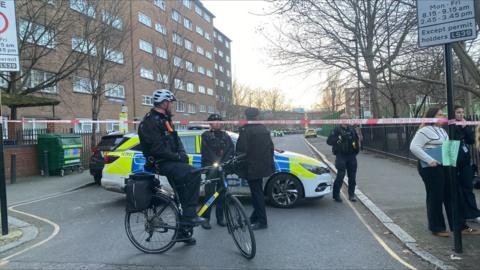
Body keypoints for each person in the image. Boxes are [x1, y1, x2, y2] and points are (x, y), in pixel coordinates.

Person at [138, 89, 205, 245]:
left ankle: (183, 232)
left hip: (172, 161)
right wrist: (177, 157)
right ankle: (190, 215)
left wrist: (183, 156)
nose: (172, 106)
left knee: (183, 193)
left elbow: (176, 140)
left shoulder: (164, 119)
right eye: (171, 103)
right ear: (164, 103)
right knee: (194, 173)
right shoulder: (150, 122)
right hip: (160, 162)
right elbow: (157, 149)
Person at [410, 107, 479, 237]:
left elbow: (448, 148)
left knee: (452, 195)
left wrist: (451, 164)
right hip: (431, 169)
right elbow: (414, 147)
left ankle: (459, 226)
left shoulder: (442, 131)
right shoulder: (424, 131)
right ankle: (436, 227)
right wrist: (429, 160)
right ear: (431, 116)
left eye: (443, 114)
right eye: (439, 114)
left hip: (444, 166)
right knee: (435, 196)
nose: (442, 117)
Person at [236, 107, 275, 230]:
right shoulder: (263, 129)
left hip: (252, 168)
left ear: (247, 117)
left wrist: (238, 166)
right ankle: (254, 217)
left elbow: (241, 151)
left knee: (256, 194)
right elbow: (271, 148)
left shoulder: (246, 130)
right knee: (258, 193)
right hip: (263, 167)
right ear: (257, 116)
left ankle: (262, 222)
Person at [200, 113, 235, 230]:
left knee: (222, 195)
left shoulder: (225, 135)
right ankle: (205, 219)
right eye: (215, 121)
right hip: (211, 169)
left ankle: (220, 218)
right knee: (209, 195)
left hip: (222, 168)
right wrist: (217, 163)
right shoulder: (205, 135)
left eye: (219, 121)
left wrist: (224, 162)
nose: (218, 123)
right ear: (210, 123)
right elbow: (207, 152)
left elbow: (231, 149)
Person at [454, 105, 480, 223]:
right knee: (455, 189)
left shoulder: (464, 125)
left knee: (468, 187)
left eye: (462, 112)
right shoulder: (449, 125)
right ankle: (459, 213)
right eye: (458, 112)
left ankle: (473, 213)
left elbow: (471, 140)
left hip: (465, 161)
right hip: (453, 160)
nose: (461, 114)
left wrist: (465, 128)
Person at [326, 113, 360, 202]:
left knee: (352, 177)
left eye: (347, 118)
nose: (346, 120)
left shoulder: (352, 129)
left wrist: (356, 150)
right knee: (340, 175)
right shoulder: (336, 130)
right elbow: (329, 141)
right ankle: (336, 195)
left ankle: (351, 195)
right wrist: (339, 138)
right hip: (341, 155)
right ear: (341, 120)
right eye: (344, 118)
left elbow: (356, 140)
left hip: (351, 156)